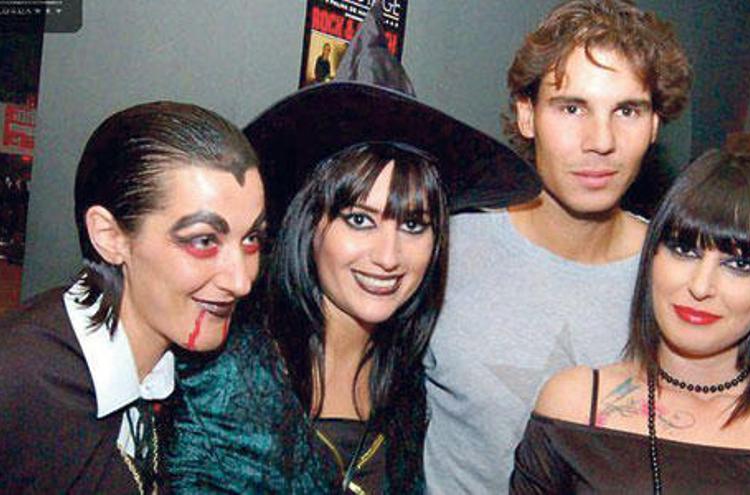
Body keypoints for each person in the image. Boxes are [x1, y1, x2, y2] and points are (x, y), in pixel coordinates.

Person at [162, 6, 540, 493]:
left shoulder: (408, 388)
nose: (388, 255)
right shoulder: (222, 371)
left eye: (414, 224)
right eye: (360, 220)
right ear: (310, 224)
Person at [423, 1, 693, 492]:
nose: (601, 141)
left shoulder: (682, 278)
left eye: (627, 110)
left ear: (654, 126)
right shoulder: (443, 248)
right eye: (572, 108)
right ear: (527, 115)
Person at [511, 149, 750, 493]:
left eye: (740, 264)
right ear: (651, 257)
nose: (701, 286)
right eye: (684, 250)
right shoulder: (574, 406)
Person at [0, 101, 265, 493]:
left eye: (252, 239)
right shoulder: (23, 381)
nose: (241, 281)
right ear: (110, 236)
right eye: (204, 240)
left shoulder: (187, 379)